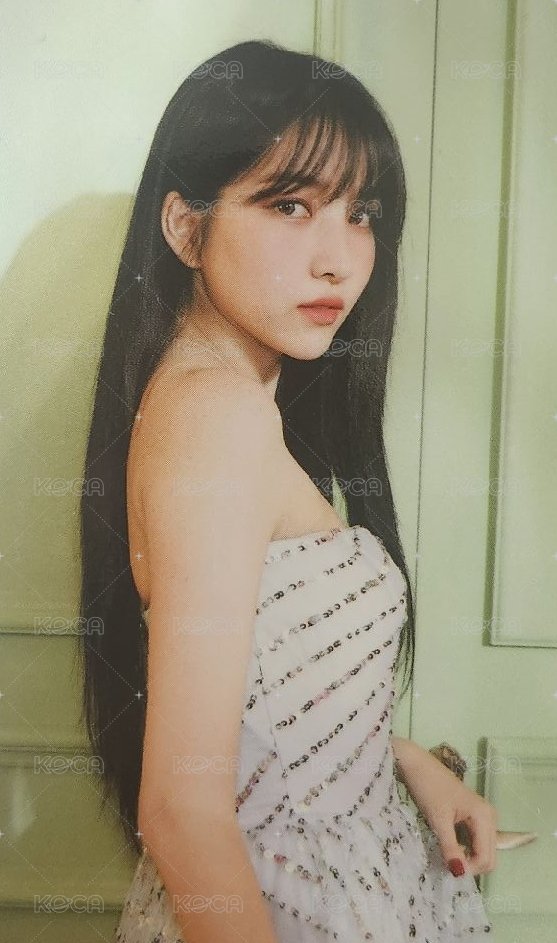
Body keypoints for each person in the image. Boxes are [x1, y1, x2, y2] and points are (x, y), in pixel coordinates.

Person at [79, 39, 497, 942]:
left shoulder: (222, 402)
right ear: (185, 226)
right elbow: (181, 810)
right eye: (290, 205)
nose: (339, 259)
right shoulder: (216, 417)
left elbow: (260, 709)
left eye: (361, 213)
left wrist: (407, 763)